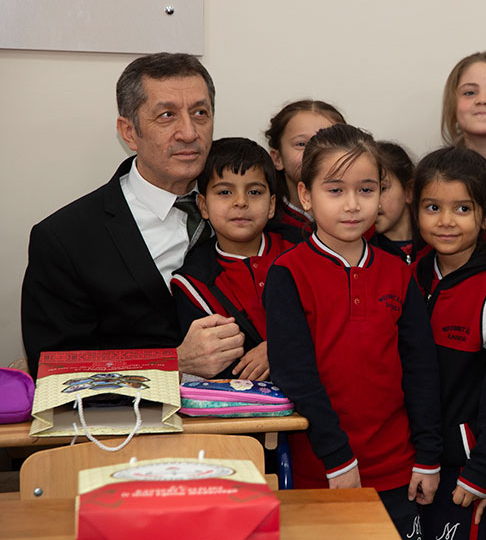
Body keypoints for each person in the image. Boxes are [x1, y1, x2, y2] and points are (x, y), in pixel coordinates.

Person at [264, 123, 442, 538]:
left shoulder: (399, 273)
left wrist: (429, 456)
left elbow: (421, 371)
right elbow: (296, 376)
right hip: (322, 470)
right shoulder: (288, 273)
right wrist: (337, 458)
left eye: (366, 189)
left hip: (399, 470)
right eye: (335, 190)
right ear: (306, 195)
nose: (352, 204)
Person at [22, 53, 245, 379]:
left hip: (252, 406)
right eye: (167, 115)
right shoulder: (65, 240)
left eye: (200, 113)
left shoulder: (249, 207)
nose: (189, 132)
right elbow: (55, 370)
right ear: (129, 132)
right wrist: (172, 362)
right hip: (130, 411)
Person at [412, 146, 486, 540]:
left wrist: (482, 468)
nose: (446, 221)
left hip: (467, 468)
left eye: (462, 209)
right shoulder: (410, 276)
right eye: (433, 207)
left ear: (485, 215)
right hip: (413, 458)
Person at [171, 137, 301, 381]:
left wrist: (278, 346)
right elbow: (214, 364)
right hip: (243, 398)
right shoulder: (193, 283)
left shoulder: (301, 250)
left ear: (271, 205)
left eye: (254, 192)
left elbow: (334, 319)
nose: (241, 202)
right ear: (203, 206)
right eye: (225, 192)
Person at [264, 99, 346, 234]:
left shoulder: (361, 217)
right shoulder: (263, 224)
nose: (314, 152)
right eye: (301, 144)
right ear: (278, 159)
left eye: (327, 143)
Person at [371, 141, 416, 264]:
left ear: (409, 191)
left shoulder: (435, 244)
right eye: (365, 190)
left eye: (382, 189)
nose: (373, 202)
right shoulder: (363, 252)